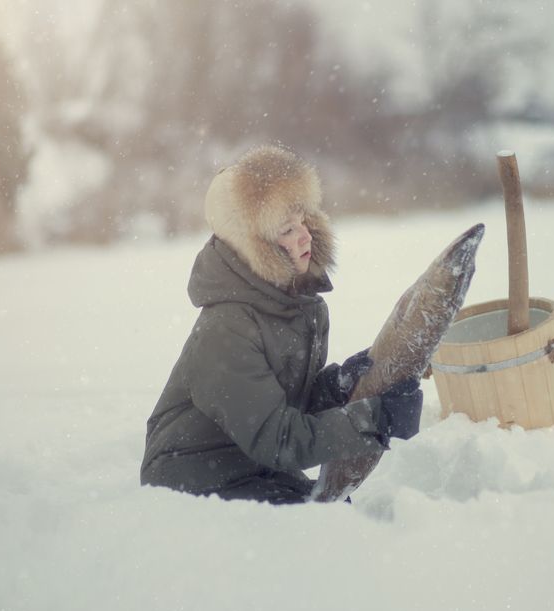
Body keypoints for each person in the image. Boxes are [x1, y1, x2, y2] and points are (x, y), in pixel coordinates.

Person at [141, 145, 422, 505]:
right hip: (191, 483)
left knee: (332, 513)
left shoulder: (299, 307)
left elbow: (285, 404)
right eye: (288, 229)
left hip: (250, 463)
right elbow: (279, 439)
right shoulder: (226, 329)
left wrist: (340, 386)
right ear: (254, 248)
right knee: (317, 526)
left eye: (304, 220)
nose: (305, 235)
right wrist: (374, 419)